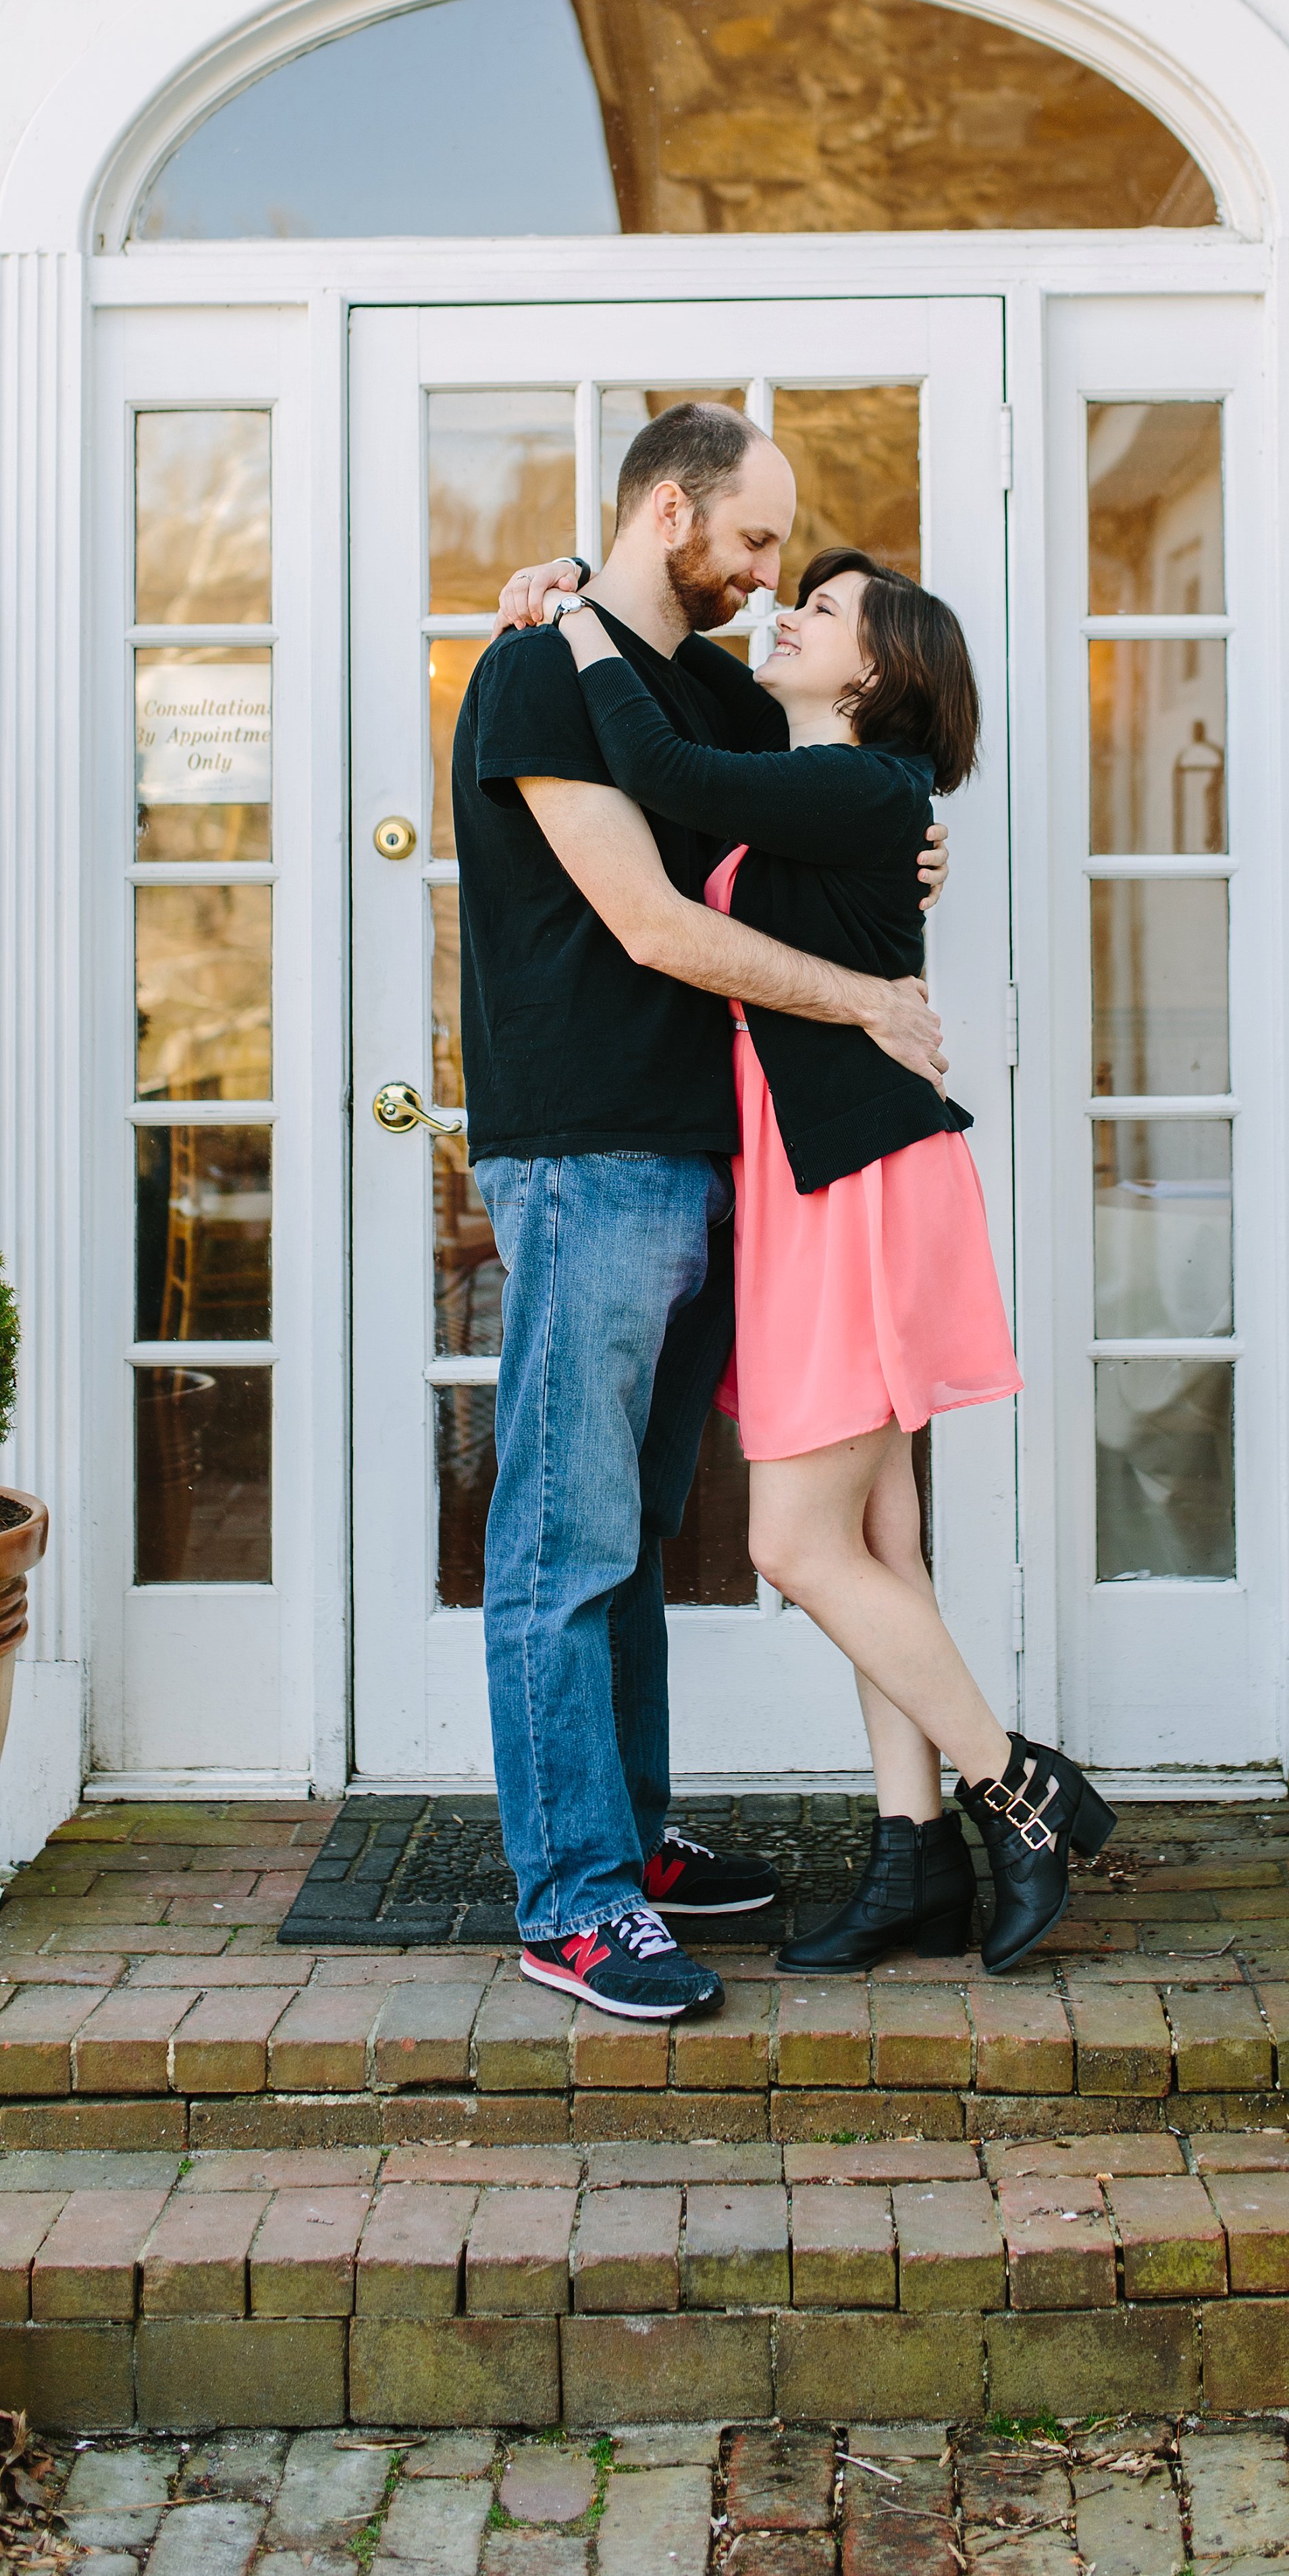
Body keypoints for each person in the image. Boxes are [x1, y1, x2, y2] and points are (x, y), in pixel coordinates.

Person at [452, 401, 951, 2025]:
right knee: (564, 1537)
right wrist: (867, 1000)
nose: (764, 573)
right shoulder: (535, 672)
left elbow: (812, 804)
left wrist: (900, 848)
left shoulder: (703, 683)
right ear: (671, 514)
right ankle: (574, 1900)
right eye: (750, 539)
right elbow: (653, 924)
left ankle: (632, 1840)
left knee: (643, 1533)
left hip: (706, 1152)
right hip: (587, 1150)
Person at [552, 550, 1116, 1973]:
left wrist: (571, 618)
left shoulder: (862, 787)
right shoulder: (830, 792)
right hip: (819, 1177)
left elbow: (659, 766)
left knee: (791, 1544)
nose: (784, 613)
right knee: (874, 1539)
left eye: (823, 611)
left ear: (874, 675)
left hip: (859, 1182)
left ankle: (1017, 1786)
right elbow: (708, 784)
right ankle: (910, 1857)